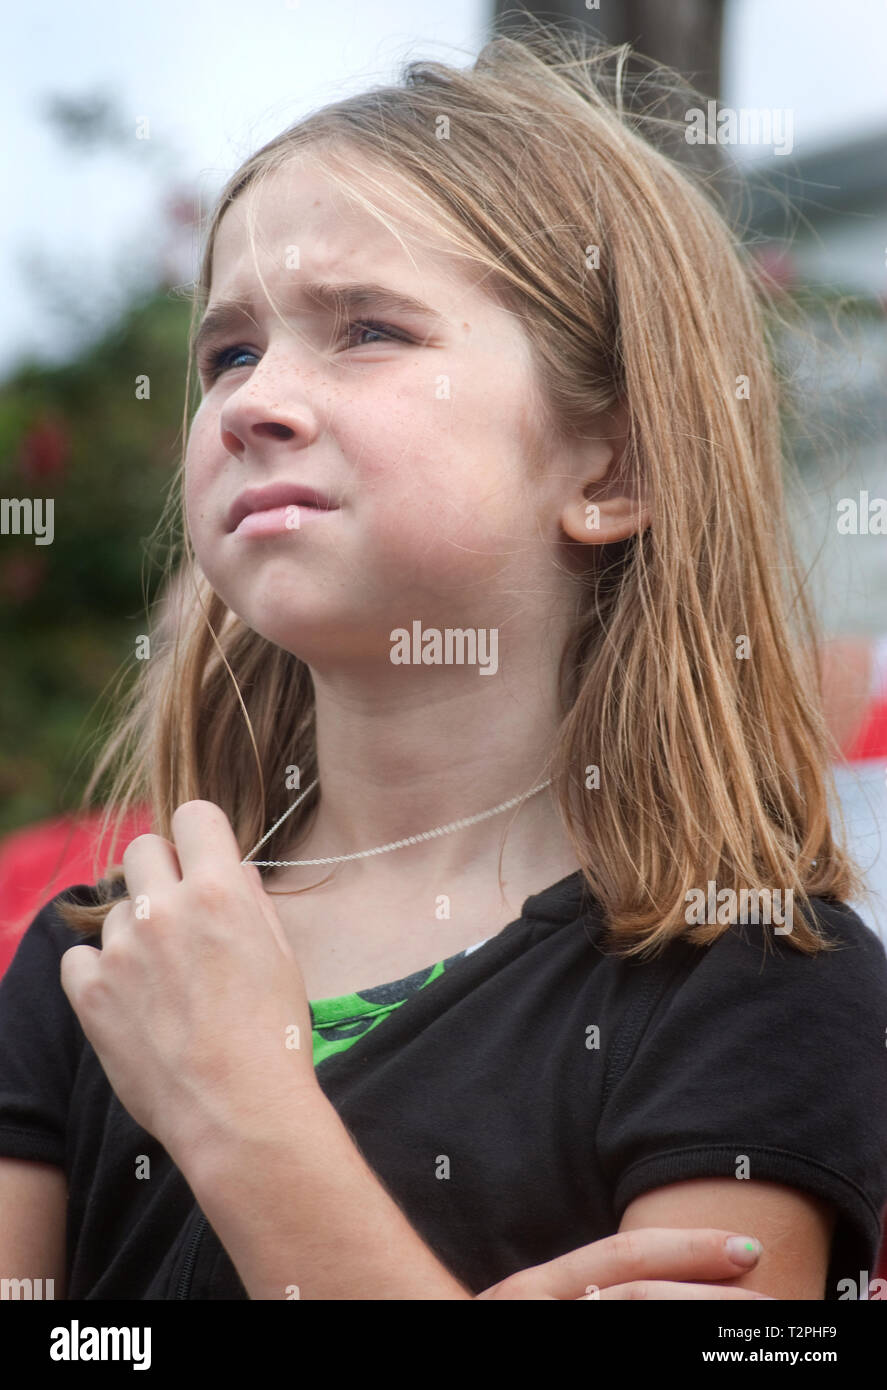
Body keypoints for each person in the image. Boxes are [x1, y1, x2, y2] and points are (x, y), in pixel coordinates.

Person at [1, 25, 885, 1303]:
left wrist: (243, 1113)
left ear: (611, 469)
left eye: (366, 330)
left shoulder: (757, 983)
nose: (253, 400)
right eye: (229, 351)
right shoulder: (100, 957)